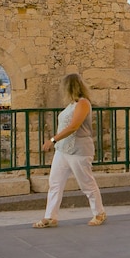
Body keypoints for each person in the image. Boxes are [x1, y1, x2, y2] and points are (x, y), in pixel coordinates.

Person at [34, 73, 107, 228]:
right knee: (55, 182)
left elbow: (74, 126)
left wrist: (52, 140)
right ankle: (50, 216)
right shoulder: (71, 105)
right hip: (63, 150)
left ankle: (99, 212)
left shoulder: (83, 103)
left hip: (79, 150)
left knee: (86, 183)